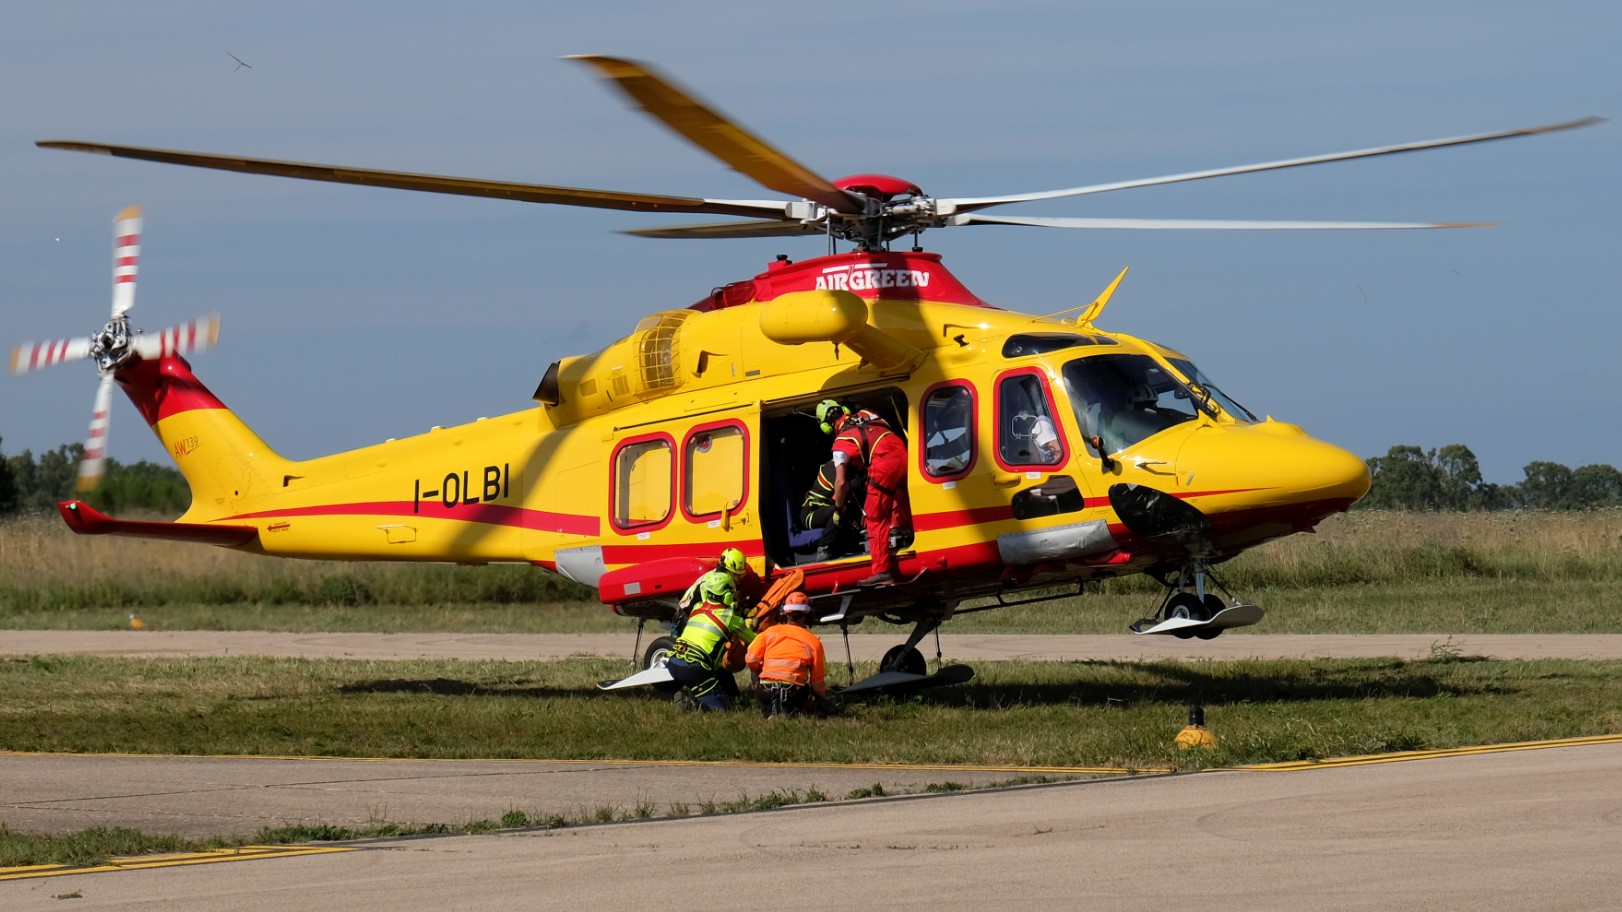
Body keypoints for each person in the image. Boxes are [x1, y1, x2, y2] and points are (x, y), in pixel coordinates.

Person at [816, 400, 911, 586]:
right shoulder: (867, 412)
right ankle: (900, 529)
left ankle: (882, 571)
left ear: (826, 426)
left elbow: (841, 483)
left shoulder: (840, 444)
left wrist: (837, 508)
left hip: (884, 464)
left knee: (874, 517)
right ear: (844, 410)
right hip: (903, 453)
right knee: (898, 496)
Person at [667, 548, 757, 711]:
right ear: (730, 570)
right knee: (708, 657)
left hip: (698, 614)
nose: (738, 578)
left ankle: (728, 695)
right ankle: (705, 697)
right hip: (690, 619)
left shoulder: (719, 579)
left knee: (715, 659)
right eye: (736, 573)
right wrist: (741, 623)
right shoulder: (715, 581)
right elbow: (719, 610)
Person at [745, 591, 830, 717]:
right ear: (807, 615)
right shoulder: (813, 642)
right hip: (794, 695)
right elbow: (817, 680)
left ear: (785, 613)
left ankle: (769, 711)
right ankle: (790, 711)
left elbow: (751, 659)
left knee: (755, 670)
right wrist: (820, 700)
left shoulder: (769, 633)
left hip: (765, 692)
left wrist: (759, 676)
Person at [799, 459, 857, 561]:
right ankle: (823, 548)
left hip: (824, 510)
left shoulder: (848, 469)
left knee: (845, 508)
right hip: (811, 514)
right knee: (840, 509)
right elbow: (838, 496)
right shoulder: (833, 468)